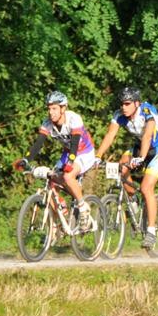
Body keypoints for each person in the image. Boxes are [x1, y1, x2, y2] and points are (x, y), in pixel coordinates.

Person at [94, 87, 158, 249]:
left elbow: (148, 135)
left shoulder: (147, 110)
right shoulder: (119, 115)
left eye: (127, 104)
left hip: (157, 149)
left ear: (136, 103)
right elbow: (110, 135)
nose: (124, 107)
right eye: (122, 104)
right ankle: (132, 199)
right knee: (122, 167)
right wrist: (98, 156)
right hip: (139, 146)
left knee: (146, 187)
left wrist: (141, 158)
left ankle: (151, 231)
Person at [14, 91, 98, 232]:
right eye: (49, 108)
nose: (50, 112)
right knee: (51, 179)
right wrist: (26, 159)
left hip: (84, 152)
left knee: (67, 176)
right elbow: (38, 144)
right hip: (68, 152)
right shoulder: (47, 123)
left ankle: (83, 207)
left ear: (63, 108)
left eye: (54, 108)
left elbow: (75, 143)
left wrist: (70, 162)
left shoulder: (74, 118)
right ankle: (61, 213)